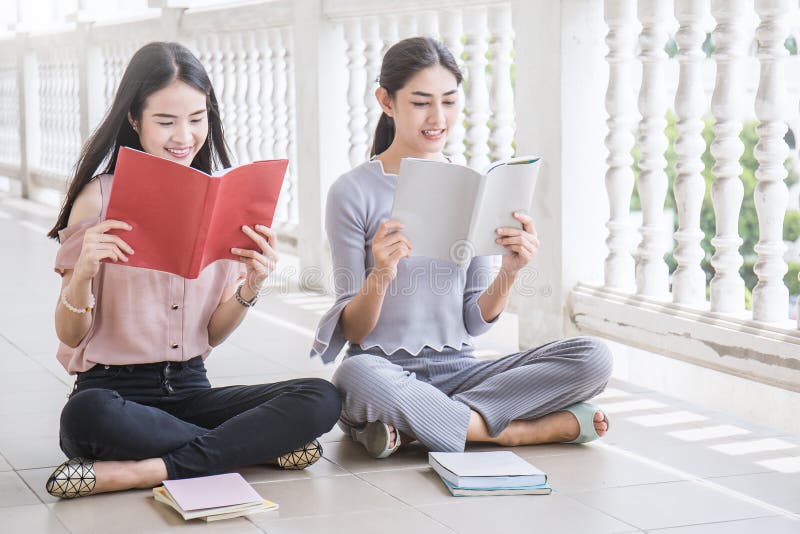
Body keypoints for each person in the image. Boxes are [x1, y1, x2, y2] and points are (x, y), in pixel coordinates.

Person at [45, 42, 341, 499]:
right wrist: (83, 271)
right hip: (115, 394)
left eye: (197, 118)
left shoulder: (222, 200)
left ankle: (143, 471)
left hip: (191, 390)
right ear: (134, 119)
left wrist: (252, 285)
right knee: (86, 417)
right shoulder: (99, 198)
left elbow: (213, 335)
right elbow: (70, 334)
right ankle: (249, 450)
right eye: (165, 121)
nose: (184, 135)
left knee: (320, 397)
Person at [311, 37, 612, 459]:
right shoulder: (352, 191)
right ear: (386, 101)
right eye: (421, 102)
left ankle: (416, 426)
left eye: (449, 101)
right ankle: (512, 433)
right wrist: (381, 272)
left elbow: (475, 321)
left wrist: (510, 270)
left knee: (593, 356)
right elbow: (354, 332)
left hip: (463, 372)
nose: (438, 118)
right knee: (355, 374)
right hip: (382, 370)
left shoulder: (473, 185)